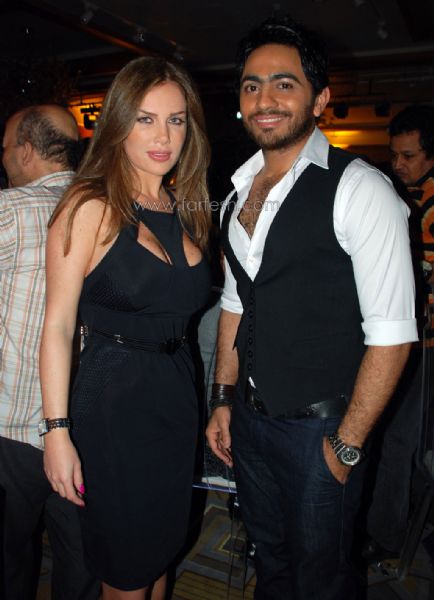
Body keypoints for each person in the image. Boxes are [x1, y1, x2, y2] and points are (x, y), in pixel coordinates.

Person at [206, 16, 417, 600]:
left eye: (284, 83)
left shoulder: (360, 188)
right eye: (251, 85)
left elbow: (393, 336)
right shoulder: (235, 195)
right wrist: (223, 397)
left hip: (322, 430)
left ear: (320, 98)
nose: (264, 99)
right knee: (270, 562)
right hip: (250, 421)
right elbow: (235, 304)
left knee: (323, 579)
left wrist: (346, 445)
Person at [39, 56, 211, 599]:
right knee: (127, 570)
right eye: (145, 119)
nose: (164, 136)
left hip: (175, 399)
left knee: (161, 553)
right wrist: (56, 432)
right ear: (118, 123)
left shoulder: (184, 205)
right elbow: (58, 325)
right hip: (114, 405)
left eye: (176, 120)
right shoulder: (89, 205)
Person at [0, 105, 99, 599]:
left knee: (9, 565)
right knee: (81, 565)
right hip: (85, 429)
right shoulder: (106, 208)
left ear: (25, 151)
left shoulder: (9, 211)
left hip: (11, 429)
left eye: (4, 148)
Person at [365, 105, 434, 559]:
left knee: (400, 438)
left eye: (408, 156)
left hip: (425, 342)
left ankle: (386, 535)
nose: (398, 164)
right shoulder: (401, 194)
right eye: (394, 155)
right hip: (401, 335)